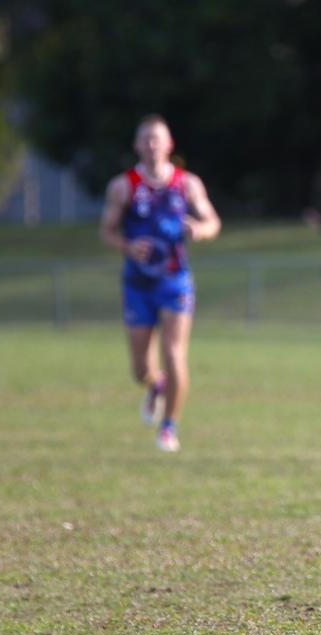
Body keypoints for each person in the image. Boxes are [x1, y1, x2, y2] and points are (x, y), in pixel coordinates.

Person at [99, 114, 221, 452]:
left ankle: (169, 427)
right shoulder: (123, 186)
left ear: (169, 145)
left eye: (158, 139)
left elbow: (213, 221)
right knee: (140, 369)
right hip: (137, 283)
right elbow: (107, 231)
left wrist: (199, 229)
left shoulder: (187, 184)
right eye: (146, 139)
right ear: (137, 145)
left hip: (175, 280)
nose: (153, 145)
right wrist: (127, 246)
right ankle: (156, 386)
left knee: (174, 353)